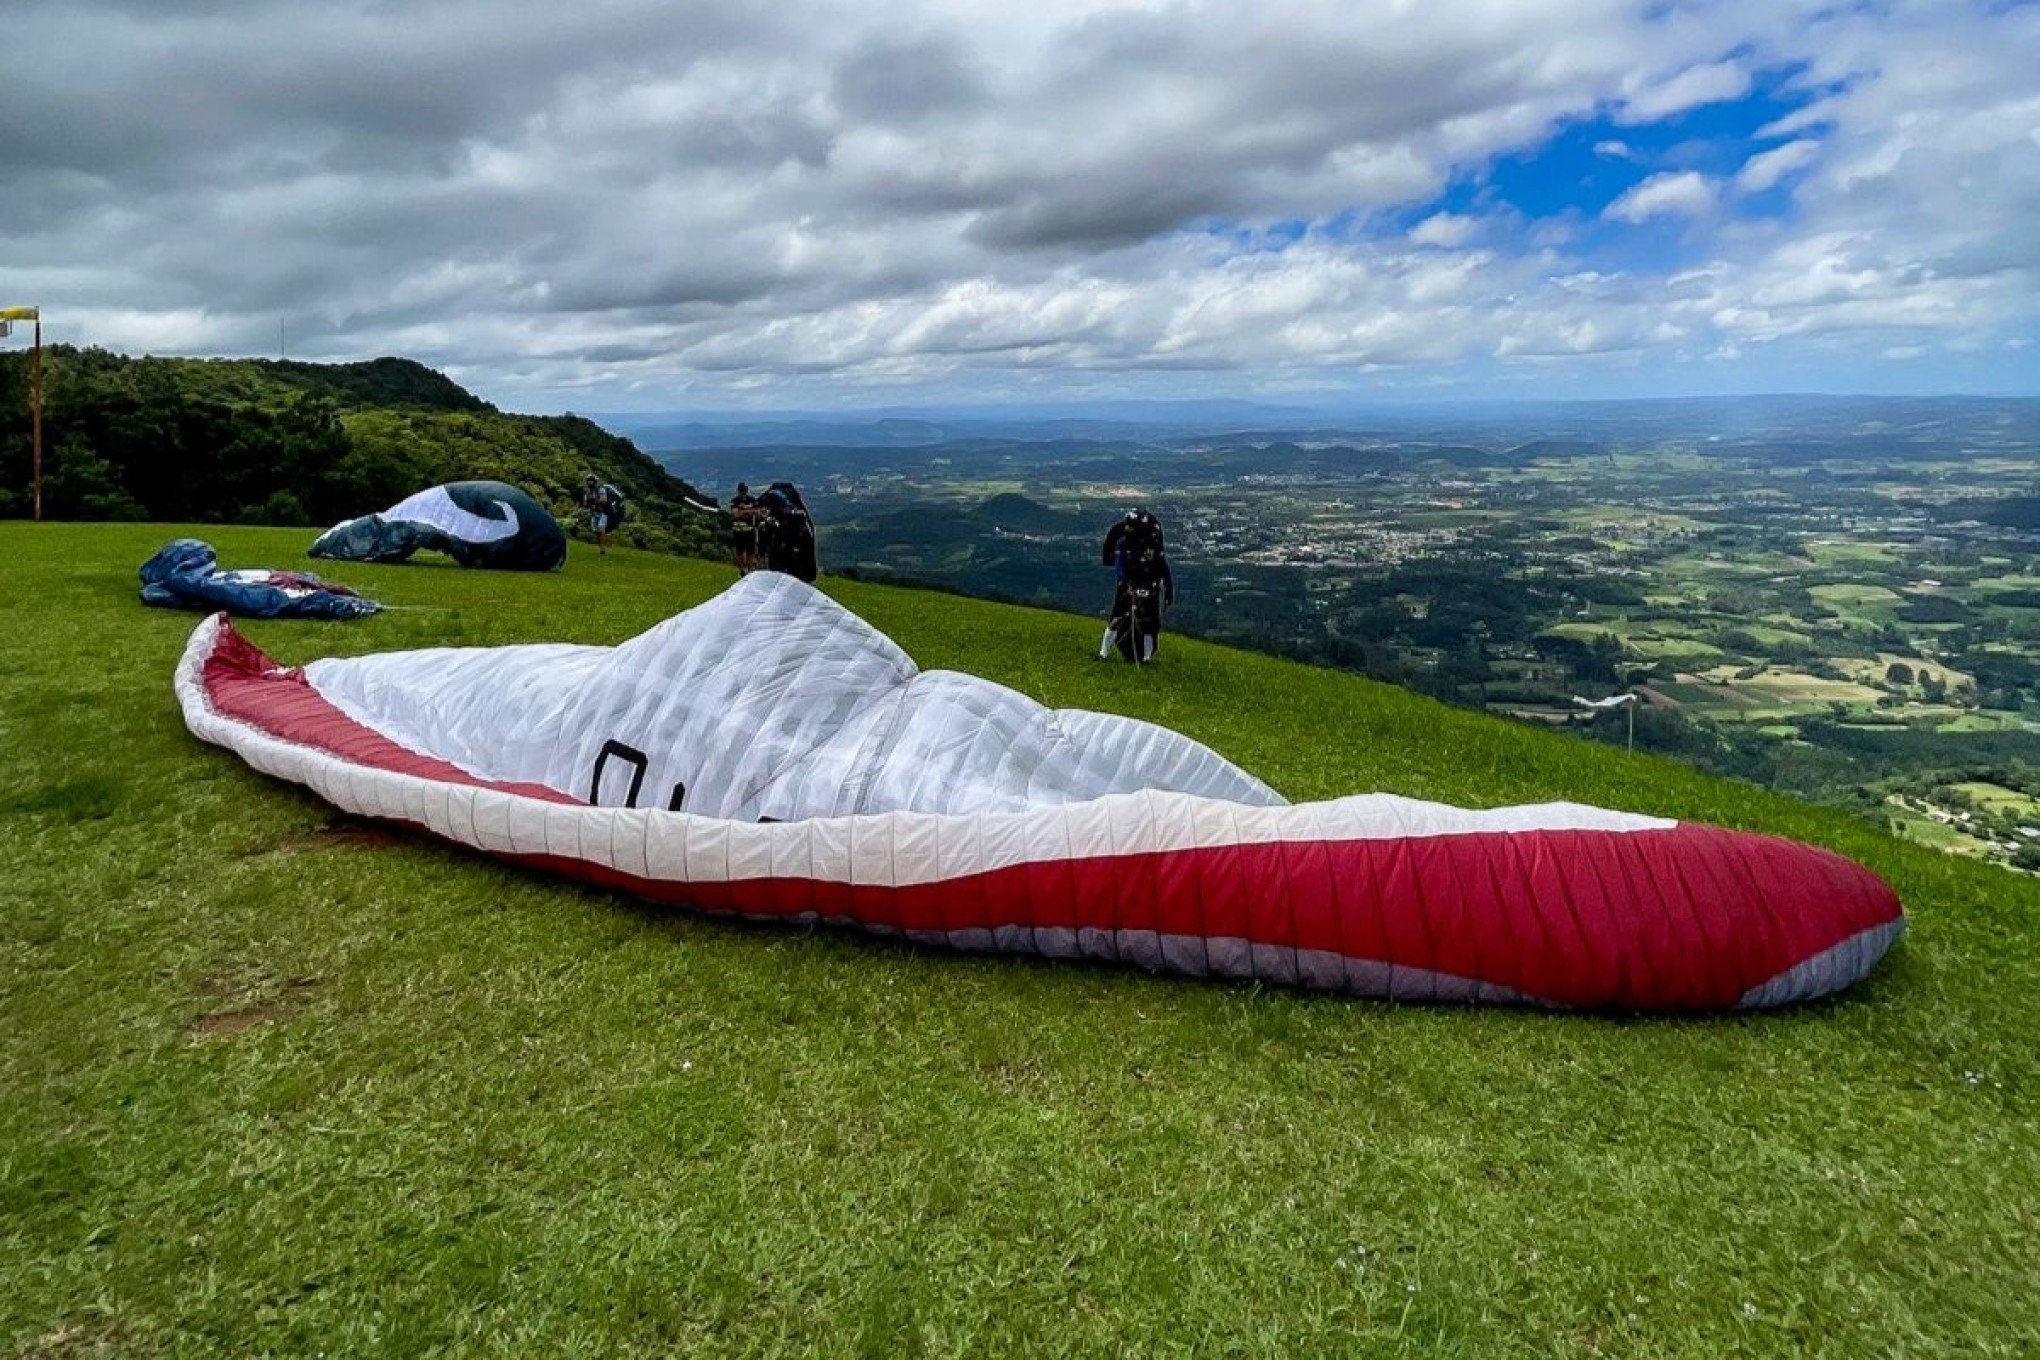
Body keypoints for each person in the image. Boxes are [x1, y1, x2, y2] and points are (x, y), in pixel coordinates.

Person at [1098, 509, 1173, 662]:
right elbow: (1120, 567)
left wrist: (1168, 589)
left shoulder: (1153, 542)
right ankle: (1103, 653)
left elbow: (1163, 566)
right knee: (1117, 617)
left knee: (1149, 623)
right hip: (1129, 583)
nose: (1127, 530)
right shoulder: (1123, 542)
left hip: (1149, 582)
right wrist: (1127, 584)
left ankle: (1146, 658)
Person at [580, 473, 626, 555]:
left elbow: (603, 500)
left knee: (601, 529)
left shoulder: (601, 489)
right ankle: (602, 545)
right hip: (594, 513)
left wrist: (594, 502)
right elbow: (585, 504)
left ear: (595, 481)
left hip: (603, 512)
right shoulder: (588, 492)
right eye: (588, 481)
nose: (590, 483)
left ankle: (602, 550)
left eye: (591, 481)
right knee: (596, 530)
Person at [728, 482, 760, 574]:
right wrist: (749, 511)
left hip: (750, 530)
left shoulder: (753, 500)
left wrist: (743, 510)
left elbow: (757, 513)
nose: (743, 492)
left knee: (751, 551)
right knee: (740, 551)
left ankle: (750, 570)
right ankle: (743, 569)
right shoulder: (735, 500)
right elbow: (735, 514)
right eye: (742, 491)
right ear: (739, 491)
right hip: (738, 531)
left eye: (745, 490)